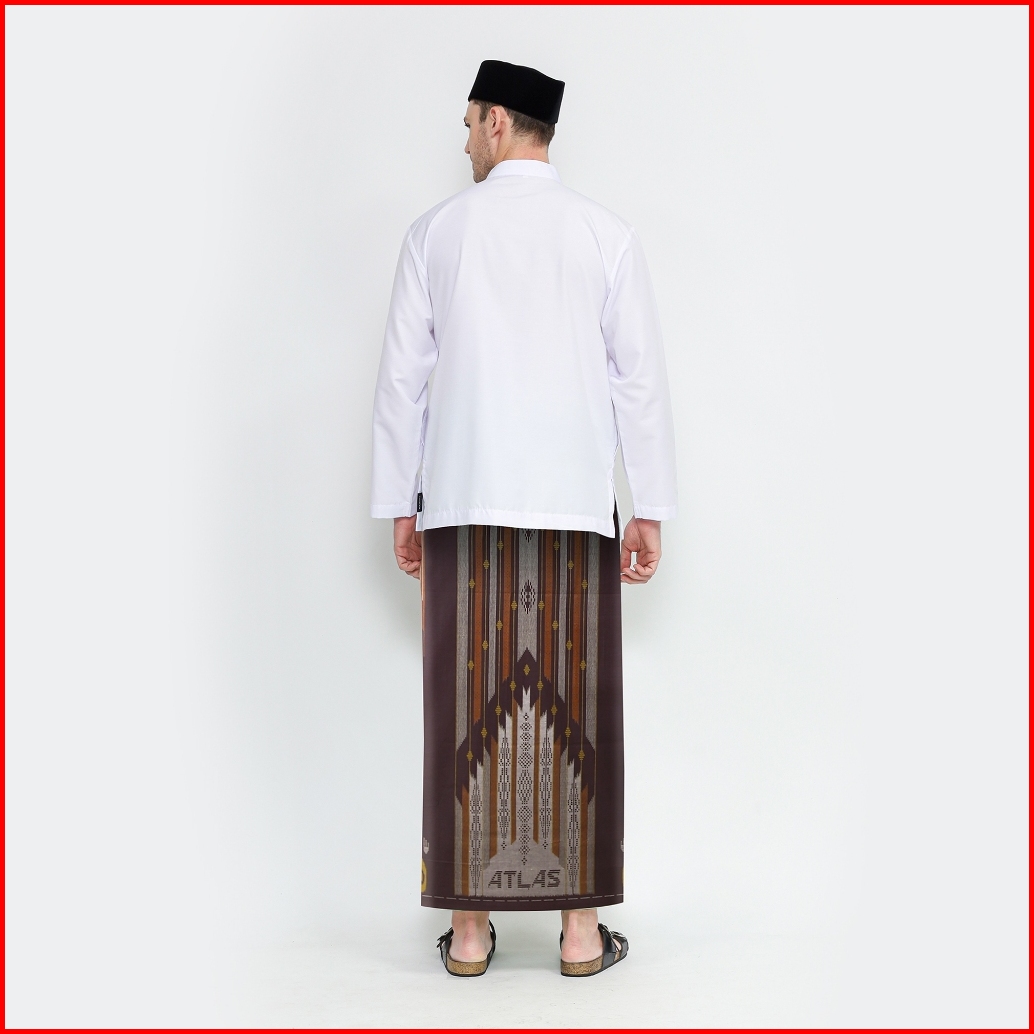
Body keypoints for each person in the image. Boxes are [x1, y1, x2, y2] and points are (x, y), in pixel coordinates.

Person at [370, 59, 677, 977]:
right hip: (576, 505)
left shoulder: (437, 233)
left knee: (465, 712)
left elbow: (401, 384)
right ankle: (580, 935)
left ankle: (469, 934)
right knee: (579, 711)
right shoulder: (604, 235)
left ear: (499, 121)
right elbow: (638, 381)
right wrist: (650, 507)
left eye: (470, 122)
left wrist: (398, 506)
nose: (465, 139)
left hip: (462, 499)